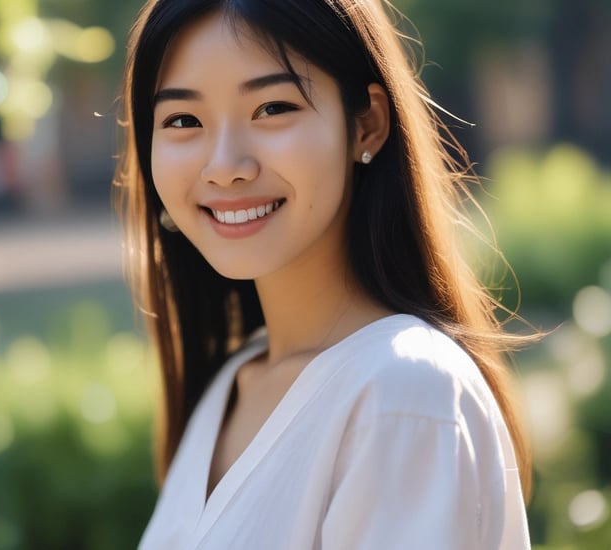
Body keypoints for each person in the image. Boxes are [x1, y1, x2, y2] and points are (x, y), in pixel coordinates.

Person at [114, 0, 532, 548]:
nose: (225, 166)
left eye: (272, 108)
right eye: (183, 120)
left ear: (367, 125)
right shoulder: (232, 386)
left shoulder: (403, 392)